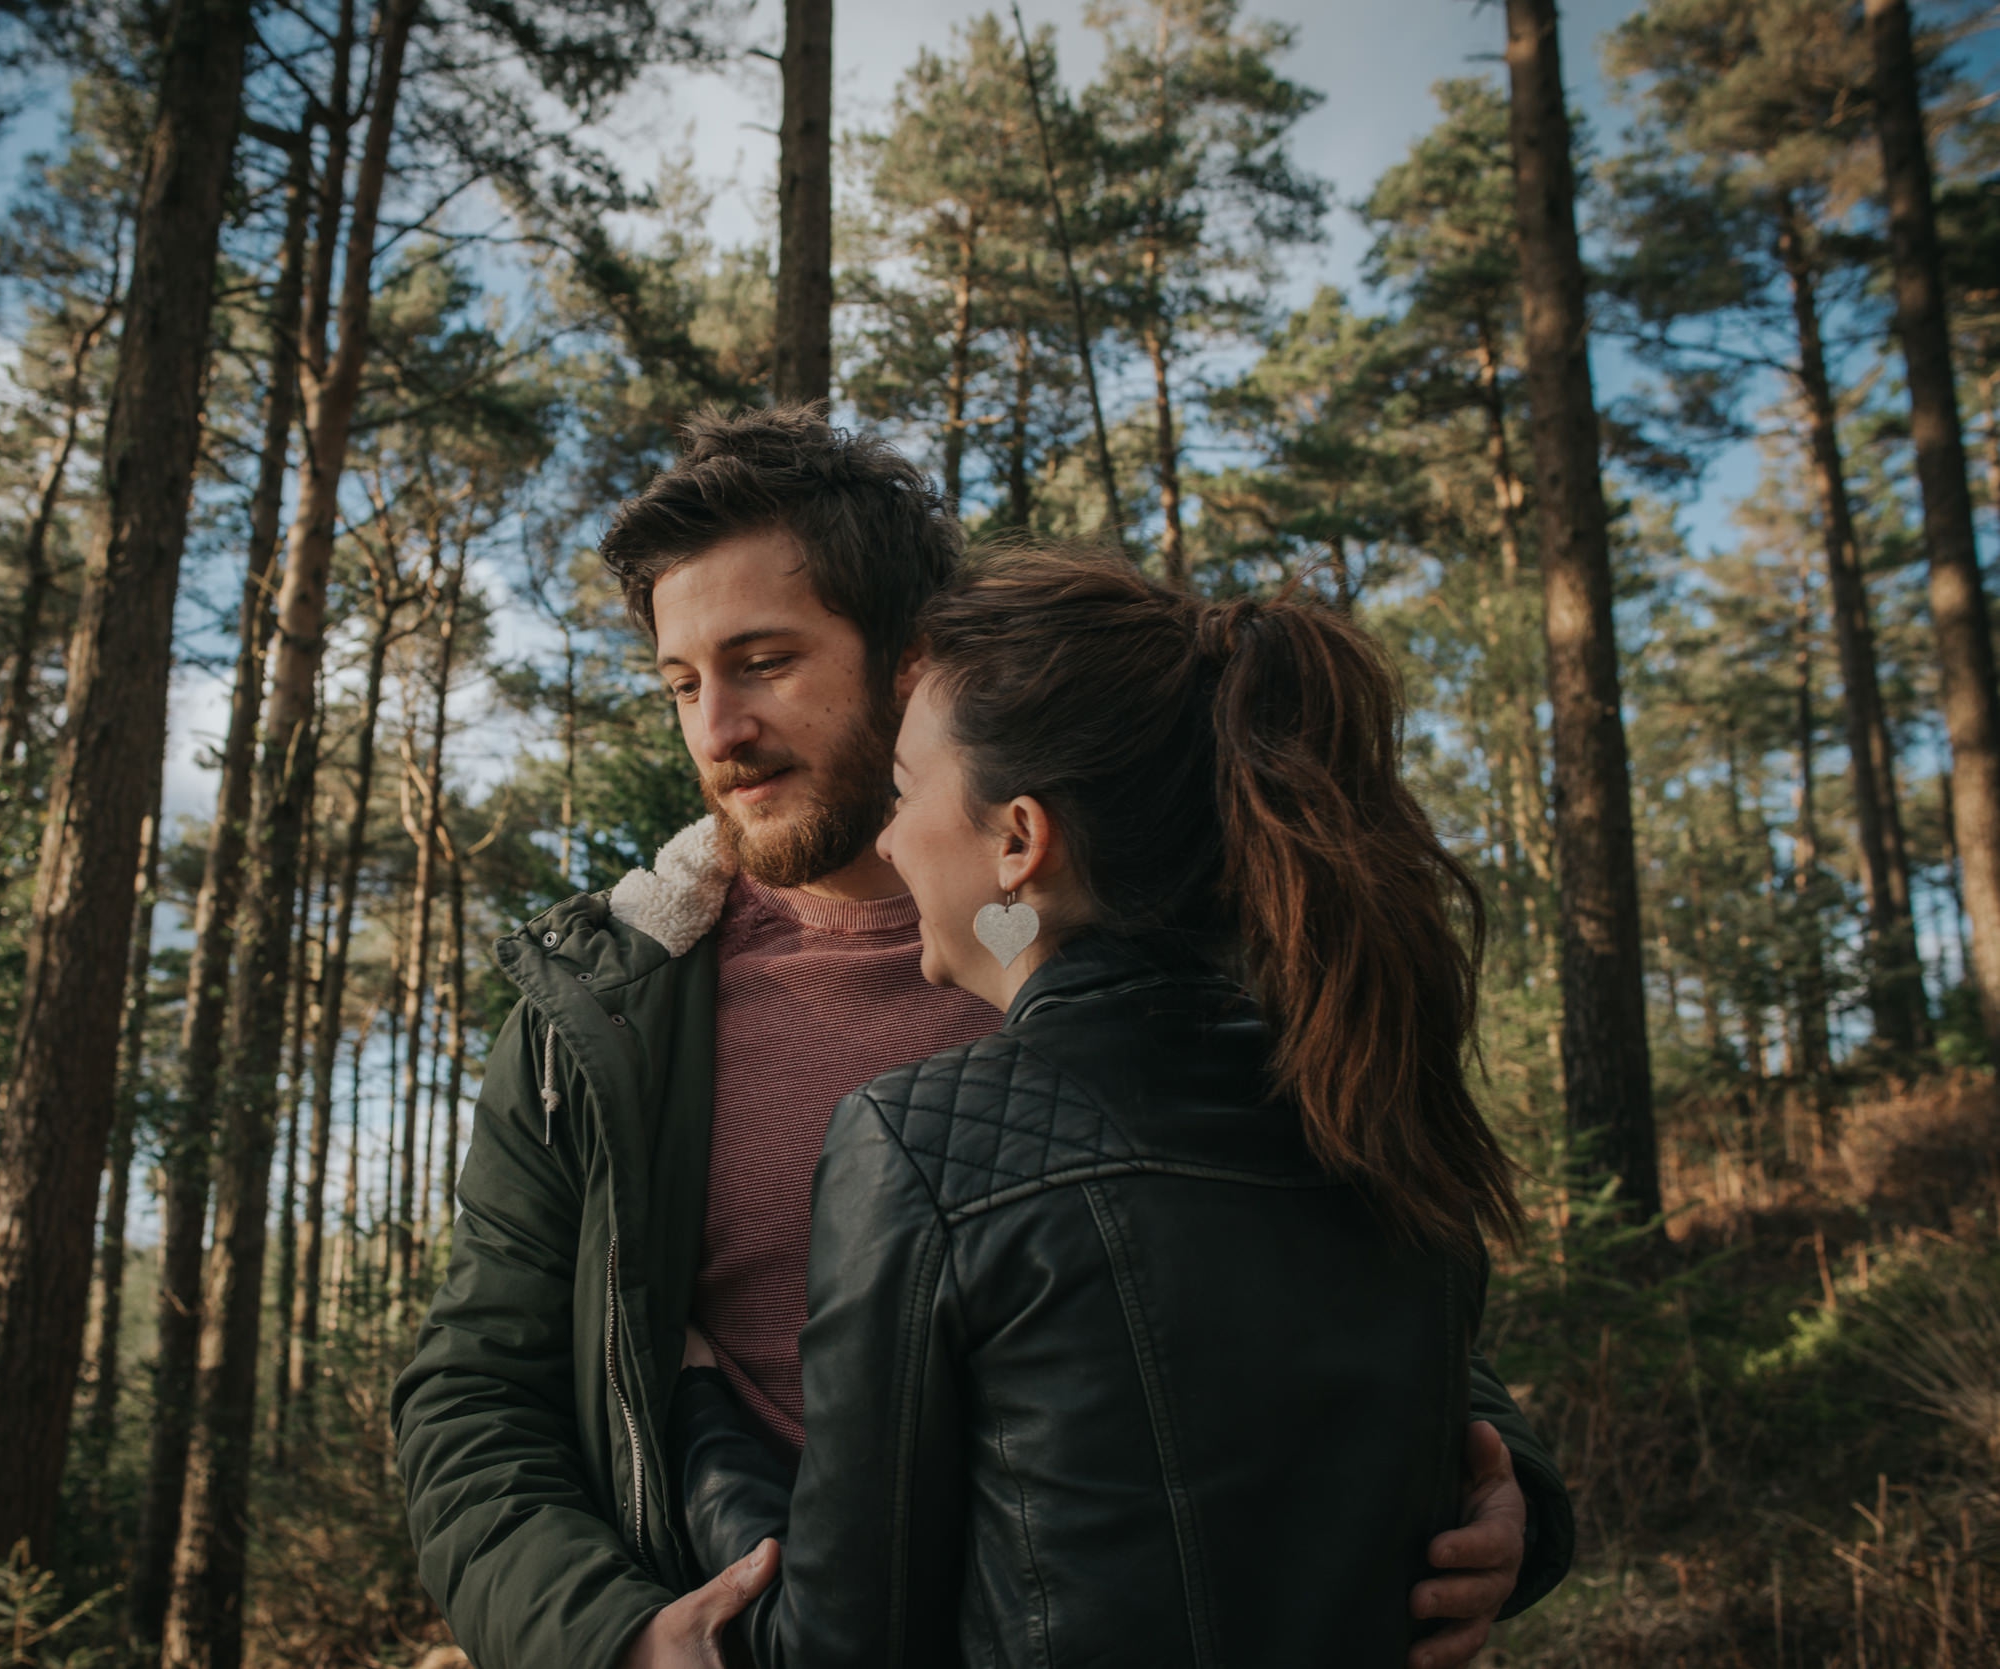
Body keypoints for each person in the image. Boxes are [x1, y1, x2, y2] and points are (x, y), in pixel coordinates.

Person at [390, 406, 1573, 1669]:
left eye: (764, 661)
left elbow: (1334, 1276)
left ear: (910, 662)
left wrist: (1509, 1496)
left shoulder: (1103, 958)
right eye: (683, 682)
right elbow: (475, 1392)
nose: (715, 729)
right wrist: (612, 1639)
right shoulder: (610, 1010)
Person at [670, 542, 1524, 1666]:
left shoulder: (917, 1141)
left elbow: (835, 1645)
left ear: (1019, 839)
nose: (887, 835)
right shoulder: (1362, 1096)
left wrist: (697, 1419)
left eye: (908, 790)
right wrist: (1526, 1495)